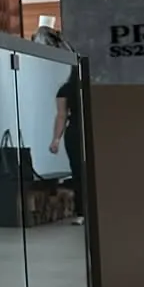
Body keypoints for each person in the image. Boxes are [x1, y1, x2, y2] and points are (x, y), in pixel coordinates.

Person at [49, 49, 84, 223]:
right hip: (82, 131)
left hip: (75, 131)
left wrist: (56, 139)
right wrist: (56, 139)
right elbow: (61, 115)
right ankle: (85, 211)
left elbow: (61, 115)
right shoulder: (71, 89)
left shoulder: (66, 89)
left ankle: (82, 212)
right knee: (83, 173)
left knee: (78, 173)